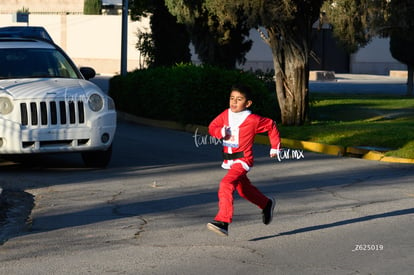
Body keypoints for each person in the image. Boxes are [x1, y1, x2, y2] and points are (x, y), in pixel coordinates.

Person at [207, 84, 281, 236]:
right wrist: (219, 131)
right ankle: (266, 204)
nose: (234, 102)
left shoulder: (252, 120)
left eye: (239, 99)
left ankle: (223, 221)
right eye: (232, 98)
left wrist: (275, 147)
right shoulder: (225, 115)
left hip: (243, 159)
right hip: (229, 160)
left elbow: (271, 125)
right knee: (243, 189)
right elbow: (212, 127)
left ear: (247, 103)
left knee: (226, 184)